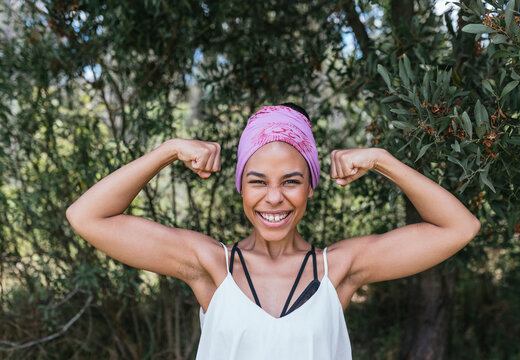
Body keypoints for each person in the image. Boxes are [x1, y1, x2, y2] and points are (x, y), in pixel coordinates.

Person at [66, 103, 480, 359]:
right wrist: (168, 150)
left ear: (311, 186)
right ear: (241, 187)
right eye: (258, 181)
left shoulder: (339, 270)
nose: (274, 198)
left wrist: (382, 159)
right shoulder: (211, 266)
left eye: (292, 181)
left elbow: (459, 227)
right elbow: (87, 217)